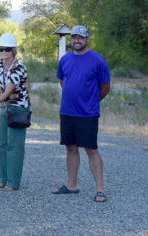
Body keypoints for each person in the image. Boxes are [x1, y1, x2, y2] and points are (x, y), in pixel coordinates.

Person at [52, 25, 110, 203]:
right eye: (74, 38)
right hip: (67, 112)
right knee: (70, 147)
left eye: (80, 37)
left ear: (87, 39)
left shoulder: (97, 61)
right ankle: (71, 185)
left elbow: (105, 88)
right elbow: (63, 82)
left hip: (88, 114)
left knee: (91, 149)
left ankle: (100, 189)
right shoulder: (65, 60)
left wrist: (91, 101)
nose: (77, 41)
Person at [0, 33, 30, 191]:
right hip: (6, 107)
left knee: (15, 146)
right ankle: (2, 178)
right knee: (2, 143)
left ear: (13, 51)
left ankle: (13, 182)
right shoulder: (0, 63)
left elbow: (10, 89)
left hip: (18, 108)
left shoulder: (18, 68)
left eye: (7, 49)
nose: (3, 52)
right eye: (1, 49)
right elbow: (1, 81)